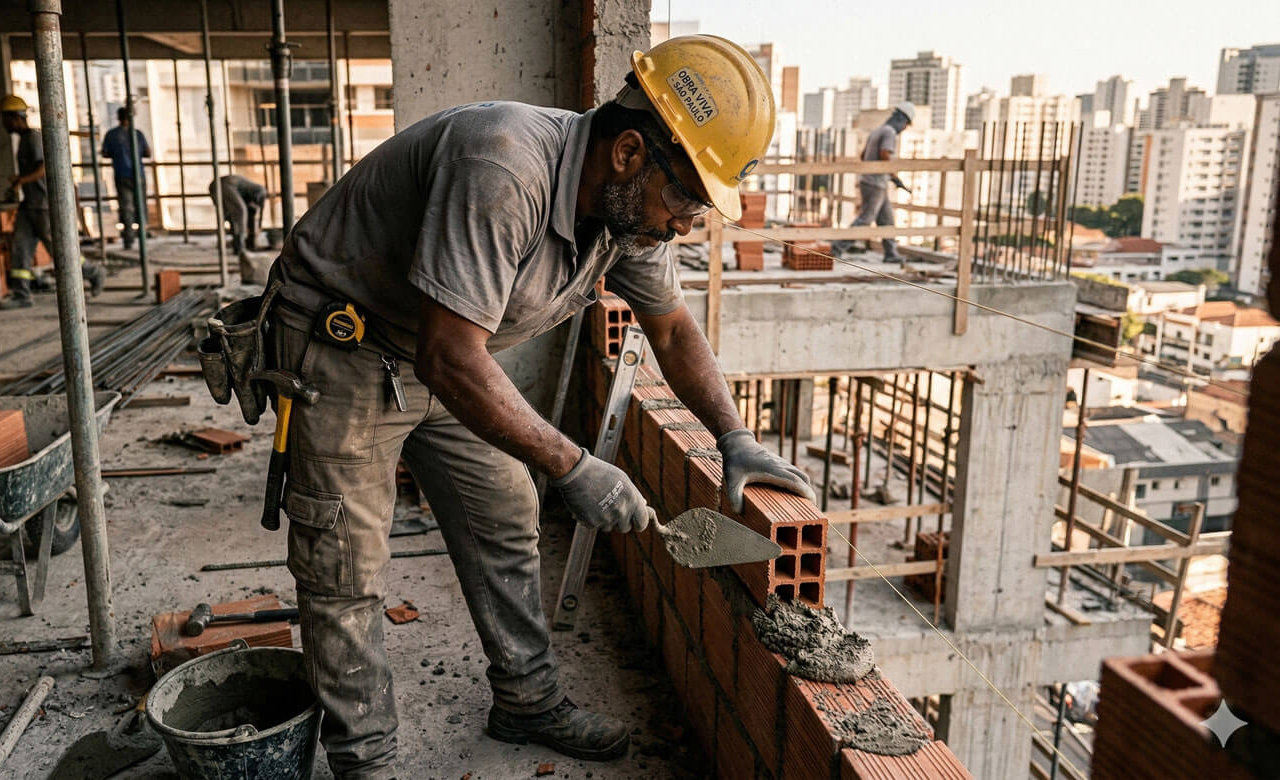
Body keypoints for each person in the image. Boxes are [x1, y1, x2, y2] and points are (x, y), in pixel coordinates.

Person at [265, 35, 815, 778]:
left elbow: (673, 328)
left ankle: (525, 697)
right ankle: (367, 762)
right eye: (686, 198)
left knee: (505, 509)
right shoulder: (501, 166)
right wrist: (575, 464)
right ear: (629, 153)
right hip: (343, 344)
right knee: (345, 566)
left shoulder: (632, 218)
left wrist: (733, 435)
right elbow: (451, 355)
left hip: (434, 348)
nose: (684, 222)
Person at [0, 95, 103, 308]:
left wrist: (21, 181)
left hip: (45, 206)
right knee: (20, 249)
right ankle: (21, 295)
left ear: (15, 117)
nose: (3, 123)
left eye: (5, 118)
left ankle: (92, 272)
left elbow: (44, 167)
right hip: (30, 206)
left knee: (60, 251)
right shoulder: (24, 140)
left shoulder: (34, 139)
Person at [831, 101, 915, 263]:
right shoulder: (889, 133)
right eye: (906, 124)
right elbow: (884, 154)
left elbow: (863, 155)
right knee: (866, 219)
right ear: (901, 119)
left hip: (874, 182)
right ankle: (837, 247)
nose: (904, 128)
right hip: (875, 183)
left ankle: (891, 253)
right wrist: (894, 176)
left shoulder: (877, 131)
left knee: (887, 219)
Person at [100, 106, 151, 250]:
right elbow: (148, 153)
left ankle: (128, 240)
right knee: (140, 205)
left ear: (118, 117)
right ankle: (142, 236)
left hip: (122, 174)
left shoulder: (111, 135)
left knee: (126, 207)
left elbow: (105, 153)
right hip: (137, 174)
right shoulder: (137, 134)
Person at [208, 174, 268, 254]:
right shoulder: (261, 191)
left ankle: (238, 243)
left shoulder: (249, 190)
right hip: (225, 185)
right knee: (240, 211)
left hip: (214, 186)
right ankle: (240, 246)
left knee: (232, 215)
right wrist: (258, 227)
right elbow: (257, 210)